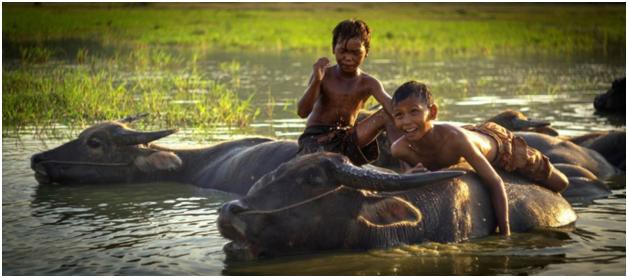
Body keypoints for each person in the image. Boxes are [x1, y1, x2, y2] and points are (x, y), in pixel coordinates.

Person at [389, 81, 570, 236]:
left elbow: (494, 181)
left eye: (414, 112)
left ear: (433, 112)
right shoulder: (399, 149)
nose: (406, 121)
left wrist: (505, 231)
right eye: (399, 115)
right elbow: (408, 170)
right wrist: (408, 174)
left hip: (501, 146)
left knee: (560, 183)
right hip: (470, 134)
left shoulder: (455, 139)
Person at [296, 18, 397, 166]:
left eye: (355, 53)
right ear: (333, 49)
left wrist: (415, 119)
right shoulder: (324, 76)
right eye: (342, 51)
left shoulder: (369, 83)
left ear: (366, 52)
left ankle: (406, 165)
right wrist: (317, 80)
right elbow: (302, 112)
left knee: (386, 115)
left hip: (347, 139)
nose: (348, 58)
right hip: (316, 139)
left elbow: (394, 110)